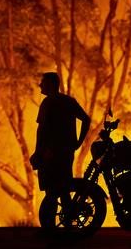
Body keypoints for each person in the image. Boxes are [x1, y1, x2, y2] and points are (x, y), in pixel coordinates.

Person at [30, 72, 90, 217]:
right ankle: (67, 223)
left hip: (50, 155)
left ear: (50, 84)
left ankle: (50, 227)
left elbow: (42, 131)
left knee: (51, 191)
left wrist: (38, 153)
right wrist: (78, 143)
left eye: (42, 82)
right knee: (64, 188)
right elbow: (86, 120)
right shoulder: (69, 101)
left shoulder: (47, 103)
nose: (40, 85)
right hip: (67, 153)